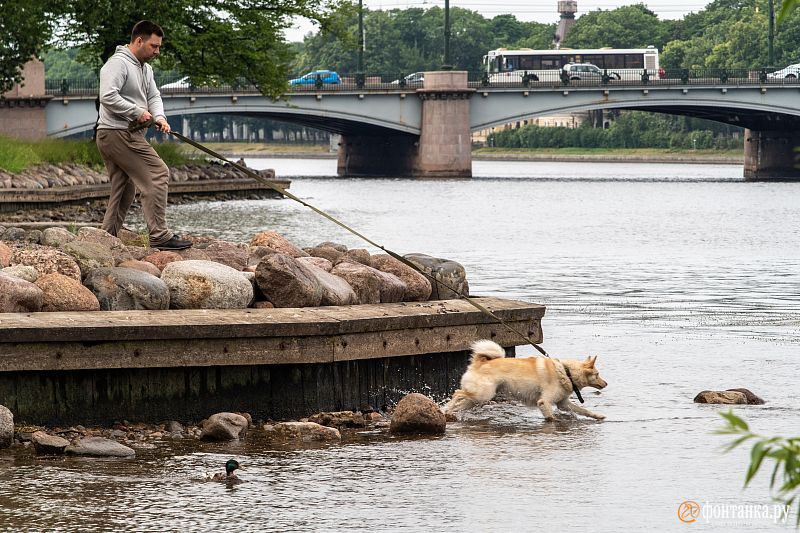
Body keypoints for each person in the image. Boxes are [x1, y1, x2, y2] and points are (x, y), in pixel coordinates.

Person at [96, 20, 191, 250]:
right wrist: (137, 112)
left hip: (120, 134)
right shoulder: (117, 64)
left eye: (158, 47)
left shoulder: (145, 68)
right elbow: (107, 96)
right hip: (117, 132)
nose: (157, 51)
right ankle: (159, 235)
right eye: (153, 46)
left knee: (124, 187)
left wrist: (159, 117)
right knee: (158, 172)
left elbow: (154, 96)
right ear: (139, 40)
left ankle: (104, 240)